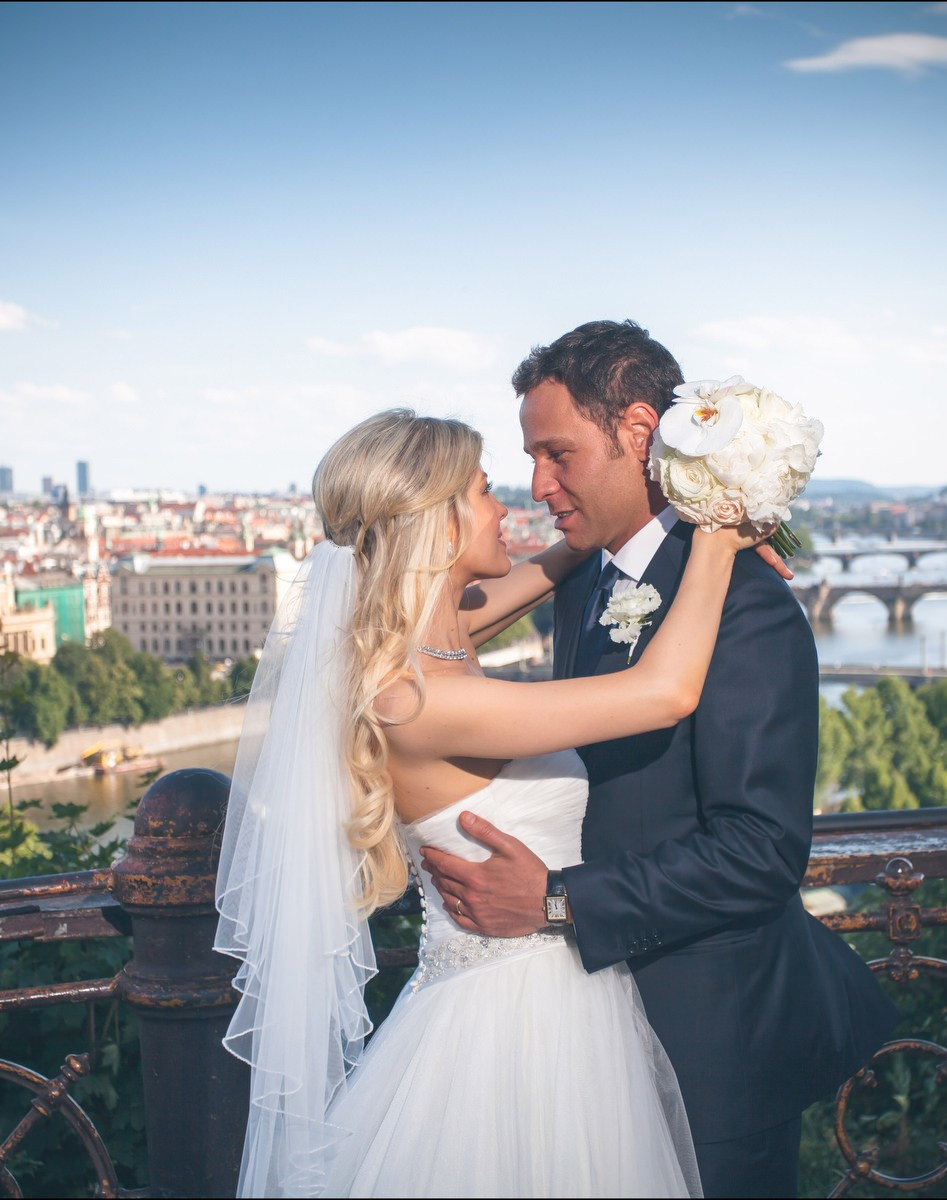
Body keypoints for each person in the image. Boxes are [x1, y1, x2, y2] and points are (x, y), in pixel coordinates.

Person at [215, 408, 773, 1197]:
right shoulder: (416, 700)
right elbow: (666, 692)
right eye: (482, 492)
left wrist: (646, 499)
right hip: (512, 1026)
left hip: (538, 992)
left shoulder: (433, 643)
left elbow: (558, 560)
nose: (507, 504)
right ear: (438, 524)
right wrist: (719, 533)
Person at [421, 320, 901, 1197]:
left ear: (640, 433)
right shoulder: (588, 584)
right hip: (577, 1045)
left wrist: (558, 900)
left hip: (708, 1060)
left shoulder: (746, 606)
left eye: (558, 454)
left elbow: (760, 851)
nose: (539, 485)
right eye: (530, 460)